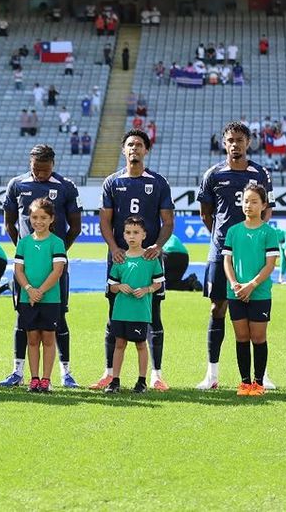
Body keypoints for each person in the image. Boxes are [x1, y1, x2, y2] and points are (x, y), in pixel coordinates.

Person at [93, 131, 174, 392]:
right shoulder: (112, 182)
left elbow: (168, 221)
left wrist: (157, 246)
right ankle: (109, 374)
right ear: (123, 150)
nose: (134, 149)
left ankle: (156, 375)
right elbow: (104, 220)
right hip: (119, 258)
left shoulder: (159, 183)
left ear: (146, 150)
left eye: (139, 145)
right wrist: (114, 248)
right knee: (114, 314)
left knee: (154, 315)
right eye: (129, 145)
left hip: (149, 258)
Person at [196, 123, 274, 390]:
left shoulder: (260, 173)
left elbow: (267, 210)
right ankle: (212, 374)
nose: (235, 145)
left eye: (239, 140)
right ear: (224, 143)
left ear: (248, 142)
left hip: (253, 251)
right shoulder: (213, 174)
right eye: (230, 140)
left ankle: (262, 375)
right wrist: (222, 238)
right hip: (221, 252)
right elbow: (206, 213)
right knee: (217, 308)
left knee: (256, 312)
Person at [0, 145, 82, 388]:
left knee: (59, 319)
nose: (40, 174)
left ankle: (66, 373)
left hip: (55, 266)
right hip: (26, 269)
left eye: (45, 170)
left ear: (53, 165)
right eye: (36, 169)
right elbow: (9, 223)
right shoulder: (17, 184)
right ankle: (17, 372)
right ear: (30, 164)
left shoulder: (66, 186)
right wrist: (25, 251)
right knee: (23, 320)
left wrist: (57, 252)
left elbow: (75, 226)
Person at [222, 184, 279, 396]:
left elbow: (270, 264)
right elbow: (227, 261)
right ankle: (245, 383)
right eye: (246, 201)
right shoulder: (233, 231)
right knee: (241, 337)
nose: (249, 205)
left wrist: (252, 285)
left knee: (258, 338)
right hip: (236, 293)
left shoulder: (268, 232)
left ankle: (259, 383)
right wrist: (235, 284)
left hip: (259, 293)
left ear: (264, 205)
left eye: (254, 201)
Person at [105, 215, 165, 394]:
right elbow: (112, 286)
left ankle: (141, 381)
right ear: (123, 235)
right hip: (121, 311)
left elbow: (158, 283)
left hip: (140, 311)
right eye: (128, 232)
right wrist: (119, 286)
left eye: (136, 233)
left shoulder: (150, 259)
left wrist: (146, 290)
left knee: (140, 344)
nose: (132, 236)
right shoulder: (120, 259)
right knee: (119, 344)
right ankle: (114, 381)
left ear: (144, 235)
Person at [12, 198, 66, 393]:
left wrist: (40, 292)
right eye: (34, 217)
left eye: (43, 217)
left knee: (49, 339)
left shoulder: (56, 242)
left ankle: (46, 379)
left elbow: (57, 271)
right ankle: (34, 379)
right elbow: (18, 270)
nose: (38, 221)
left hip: (50, 300)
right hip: (28, 299)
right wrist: (29, 289)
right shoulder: (24, 243)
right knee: (32, 339)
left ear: (51, 219)